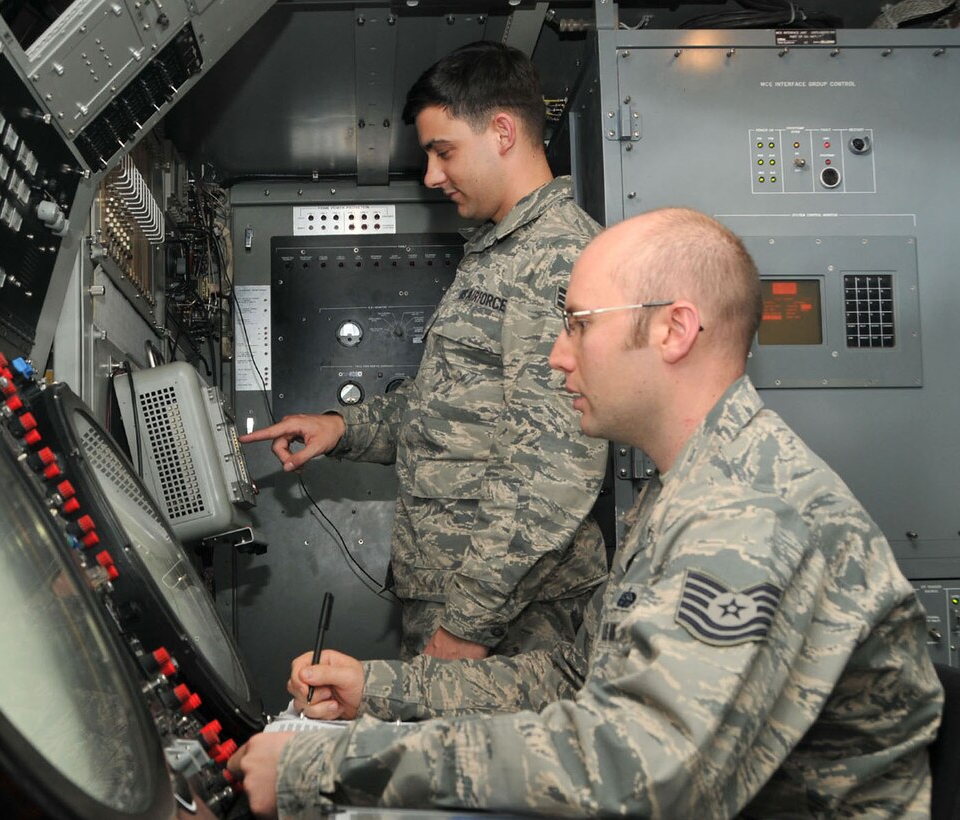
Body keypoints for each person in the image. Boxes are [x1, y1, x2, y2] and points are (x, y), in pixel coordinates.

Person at [228, 208, 943, 819]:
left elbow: (641, 768)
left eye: (576, 325)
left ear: (673, 331)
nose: (554, 356)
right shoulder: (685, 492)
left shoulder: (747, 514)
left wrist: (326, 767)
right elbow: (574, 678)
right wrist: (380, 689)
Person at [240, 41, 609, 661]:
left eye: (443, 151)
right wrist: (341, 426)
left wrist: (468, 624)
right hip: (469, 601)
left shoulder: (560, 259)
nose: (433, 175)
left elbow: (555, 471)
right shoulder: (499, 252)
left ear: (501, 131)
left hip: (510, 619)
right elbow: (453, 413)